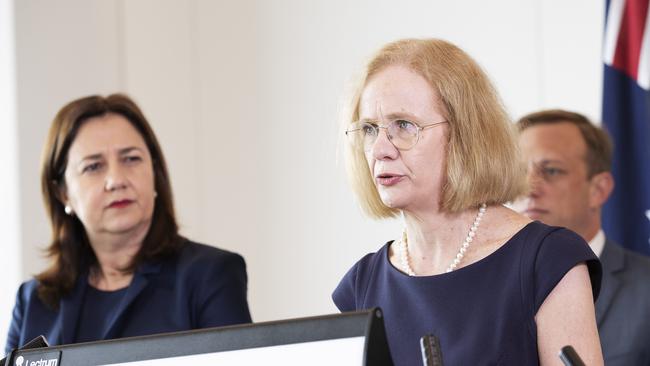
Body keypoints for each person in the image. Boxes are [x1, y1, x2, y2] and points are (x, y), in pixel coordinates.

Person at [332, 38, 604, 365]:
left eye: (403, 125)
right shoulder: (362, 285)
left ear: (465, 134)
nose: (380, 150)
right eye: (370, 129)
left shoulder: (547, 261)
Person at [5, 94, 251, 353]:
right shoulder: (32, 301)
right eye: (93, 167)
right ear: (63, 193)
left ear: (155, 173)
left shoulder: (210, 275)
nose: (116, 180)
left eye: (131, 159)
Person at [516, 109, 650, 366]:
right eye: (519, 172)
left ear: (598, 189)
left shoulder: (645, 290)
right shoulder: (488, 287)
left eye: (552, 171)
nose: (529, 188)